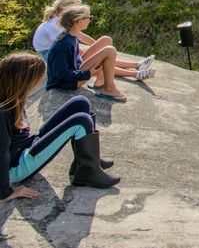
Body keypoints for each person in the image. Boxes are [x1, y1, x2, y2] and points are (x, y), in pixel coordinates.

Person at [1, 52, 119, 196]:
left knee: (80, 103)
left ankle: (88, 161)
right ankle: (87, 173)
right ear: (21, 81)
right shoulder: (3, 111)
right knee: (81, 120)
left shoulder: (11, 98)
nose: (38, 84)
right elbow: (1, 153)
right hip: (17, 166)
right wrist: (6, 192)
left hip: (26, 146)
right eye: (35, 80)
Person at [33, 0, 154, 80]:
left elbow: (80, 36)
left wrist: (96, 47)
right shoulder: (55, 26)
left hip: (58, 50)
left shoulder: (63, 21)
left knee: (96, 54)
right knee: (94, 61)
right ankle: (136, 74)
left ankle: (136, 65)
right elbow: (60, 49)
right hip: (49, 54)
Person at [46, 5, 127, 102]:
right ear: (79, 21)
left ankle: (100, 80)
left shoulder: (70, 34)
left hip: (76, 68)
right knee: (110, 51)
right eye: (89, 18)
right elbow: (60, 73)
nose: (90, 20)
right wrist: (88, 73)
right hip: (66, 83)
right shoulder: (64, 44)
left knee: (106, 40)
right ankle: (109, 89)